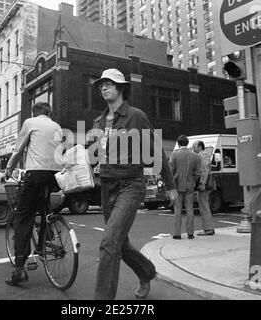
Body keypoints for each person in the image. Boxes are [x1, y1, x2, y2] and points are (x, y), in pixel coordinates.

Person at [89, 68, 178, 300]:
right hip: (107, 186)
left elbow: (156, 150)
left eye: (108, 83)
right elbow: (96, 155)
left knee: (109, 242)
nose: (103, 87)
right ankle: (146, 271)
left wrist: (170, 185)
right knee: (120, 243)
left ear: (120, 88)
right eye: (101, 85)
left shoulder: (136, 116)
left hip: (131, 185)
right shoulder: (99, 121)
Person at [1, 102, 63, 286]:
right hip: (55, 176)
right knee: (45, 210)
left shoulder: (30, 122)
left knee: (23, 217)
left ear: (34, 113)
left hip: (35, 174)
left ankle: (19, 269)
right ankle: (47, 238)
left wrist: (7, 171)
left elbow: (19, 150)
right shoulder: (57, 126)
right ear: (49, 113)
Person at [169, 135, 201, 240]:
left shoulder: (174, 154)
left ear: (178, 143)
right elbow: (198, 172)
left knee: (177, 209)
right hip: (190, 185)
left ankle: (177, 234)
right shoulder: (195, 156)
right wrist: (193, 182)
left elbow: (171, 170)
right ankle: (190, 233)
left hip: (177, 185)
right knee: (190, 209)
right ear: (187, 143)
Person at [193, 140, 215, 236]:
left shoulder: (204, 155)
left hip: (204, 185)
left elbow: (205, 169)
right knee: (203, 206)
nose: (194, 148)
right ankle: (208, 228)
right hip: (204, 184)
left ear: (200, 147)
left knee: (204, 206)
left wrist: (202, 183)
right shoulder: (201, 155)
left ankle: (208, 229)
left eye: (195, 146)